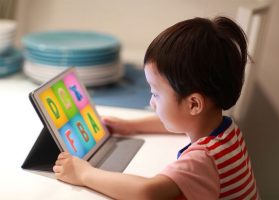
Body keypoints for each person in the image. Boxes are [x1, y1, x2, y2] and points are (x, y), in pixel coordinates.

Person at [53, 16, 259, 200]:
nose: (151, 103)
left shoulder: (203, 159)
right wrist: (132, 127)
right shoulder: (227, 130)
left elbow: (147, 192)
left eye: (155, 94)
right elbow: (181, 121)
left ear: (194, 104)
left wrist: (84, 174)